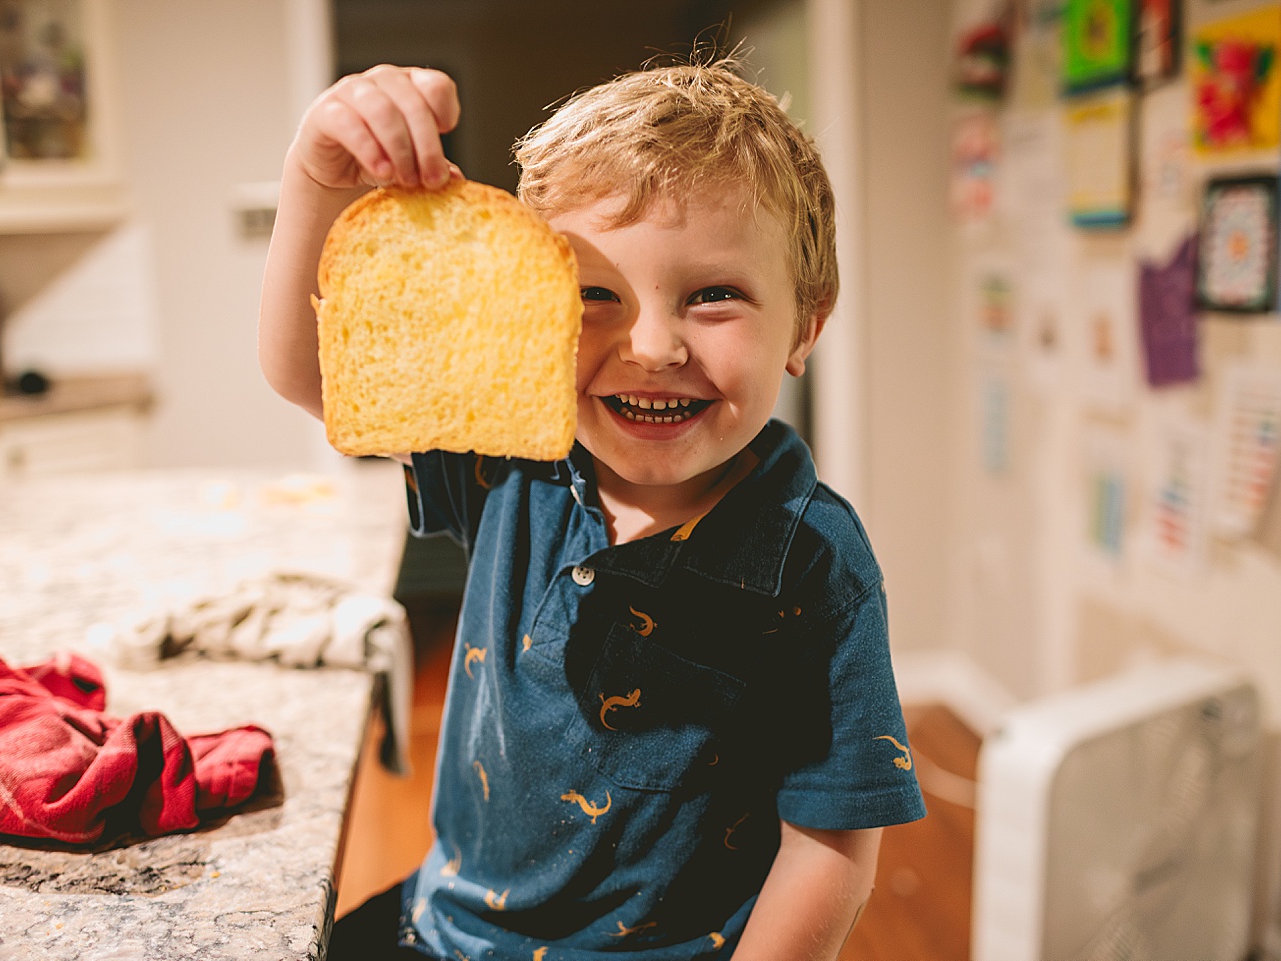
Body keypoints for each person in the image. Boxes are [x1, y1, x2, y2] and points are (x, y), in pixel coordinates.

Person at [259, 56, 925, 961]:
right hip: (443, 926)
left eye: (714, 295)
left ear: (807, 321)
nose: (651, 347)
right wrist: (315, 179)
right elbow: (315, 375)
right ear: (529, 310)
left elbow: (832, 846)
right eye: (593, 296)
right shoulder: (510, 454)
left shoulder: (813, 560)